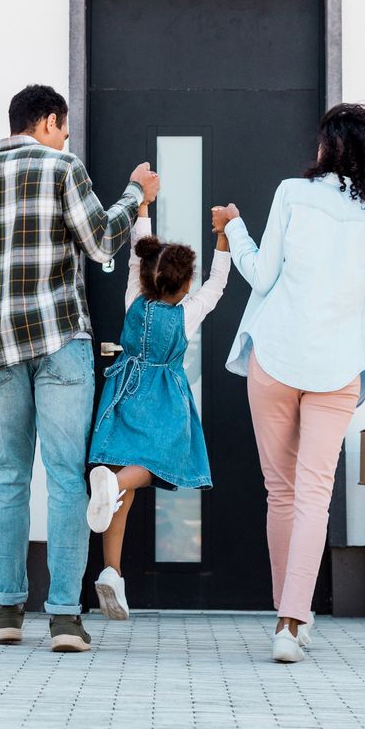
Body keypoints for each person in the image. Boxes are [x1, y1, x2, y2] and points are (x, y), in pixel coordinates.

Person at [0, 84, 158, 653]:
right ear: (50, 122)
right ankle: (62, 618)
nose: (67, 137)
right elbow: (102, 241)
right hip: (60, 342)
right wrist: (136, 194)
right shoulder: (63, 168)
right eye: (65, 127)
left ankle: (6, 612)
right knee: (62, 478)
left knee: (9, 475)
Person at [221, 102, 365, 664]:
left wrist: (234, 227)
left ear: (328, 148)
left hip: (275, 359)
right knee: (314, 494)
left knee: (281, 493)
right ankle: (294, 621)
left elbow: (262, 276)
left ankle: (286, 617)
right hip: (336, 373)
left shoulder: (292, 193)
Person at [84, 204, 231, 622]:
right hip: (163, 398)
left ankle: (112, 571)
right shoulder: (187, 313)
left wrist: (144, 208)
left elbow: (135, 254)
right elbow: (218, 284)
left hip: (122, 390)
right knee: (158, 464)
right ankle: (112, 484)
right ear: (185, 286)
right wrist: (222, 235)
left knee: (121, 502)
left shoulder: (134, 298)